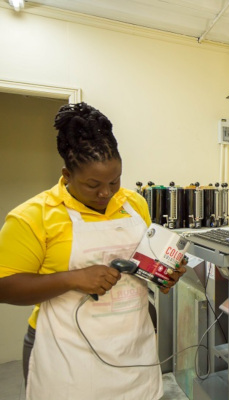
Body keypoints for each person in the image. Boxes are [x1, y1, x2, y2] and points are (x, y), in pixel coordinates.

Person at [0, 102, 186, 399]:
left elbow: (143, 264)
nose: (106, 193)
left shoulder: (133, 204)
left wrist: (163, 274)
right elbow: (4, 287)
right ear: (67, 174)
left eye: (114, 181)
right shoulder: (33, 216)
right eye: (93, 184)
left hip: (131, 346)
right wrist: (71, 279)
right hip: (65, 352)